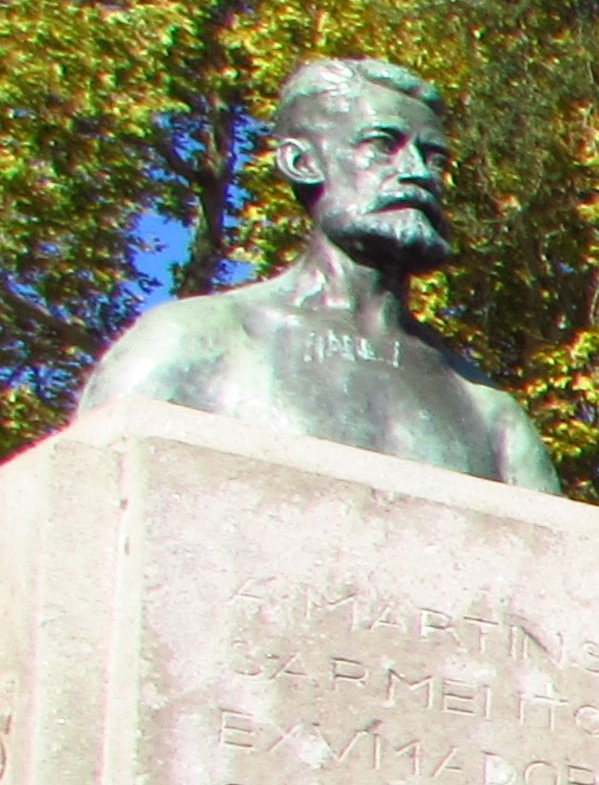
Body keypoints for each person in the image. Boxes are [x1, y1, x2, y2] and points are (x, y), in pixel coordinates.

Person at [78, 57, 562, 492]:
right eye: (382, 145)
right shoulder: (195, 342)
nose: (417, 172)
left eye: (434, 159)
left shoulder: (488, 410)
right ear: (302, 162)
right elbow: (88, 504)